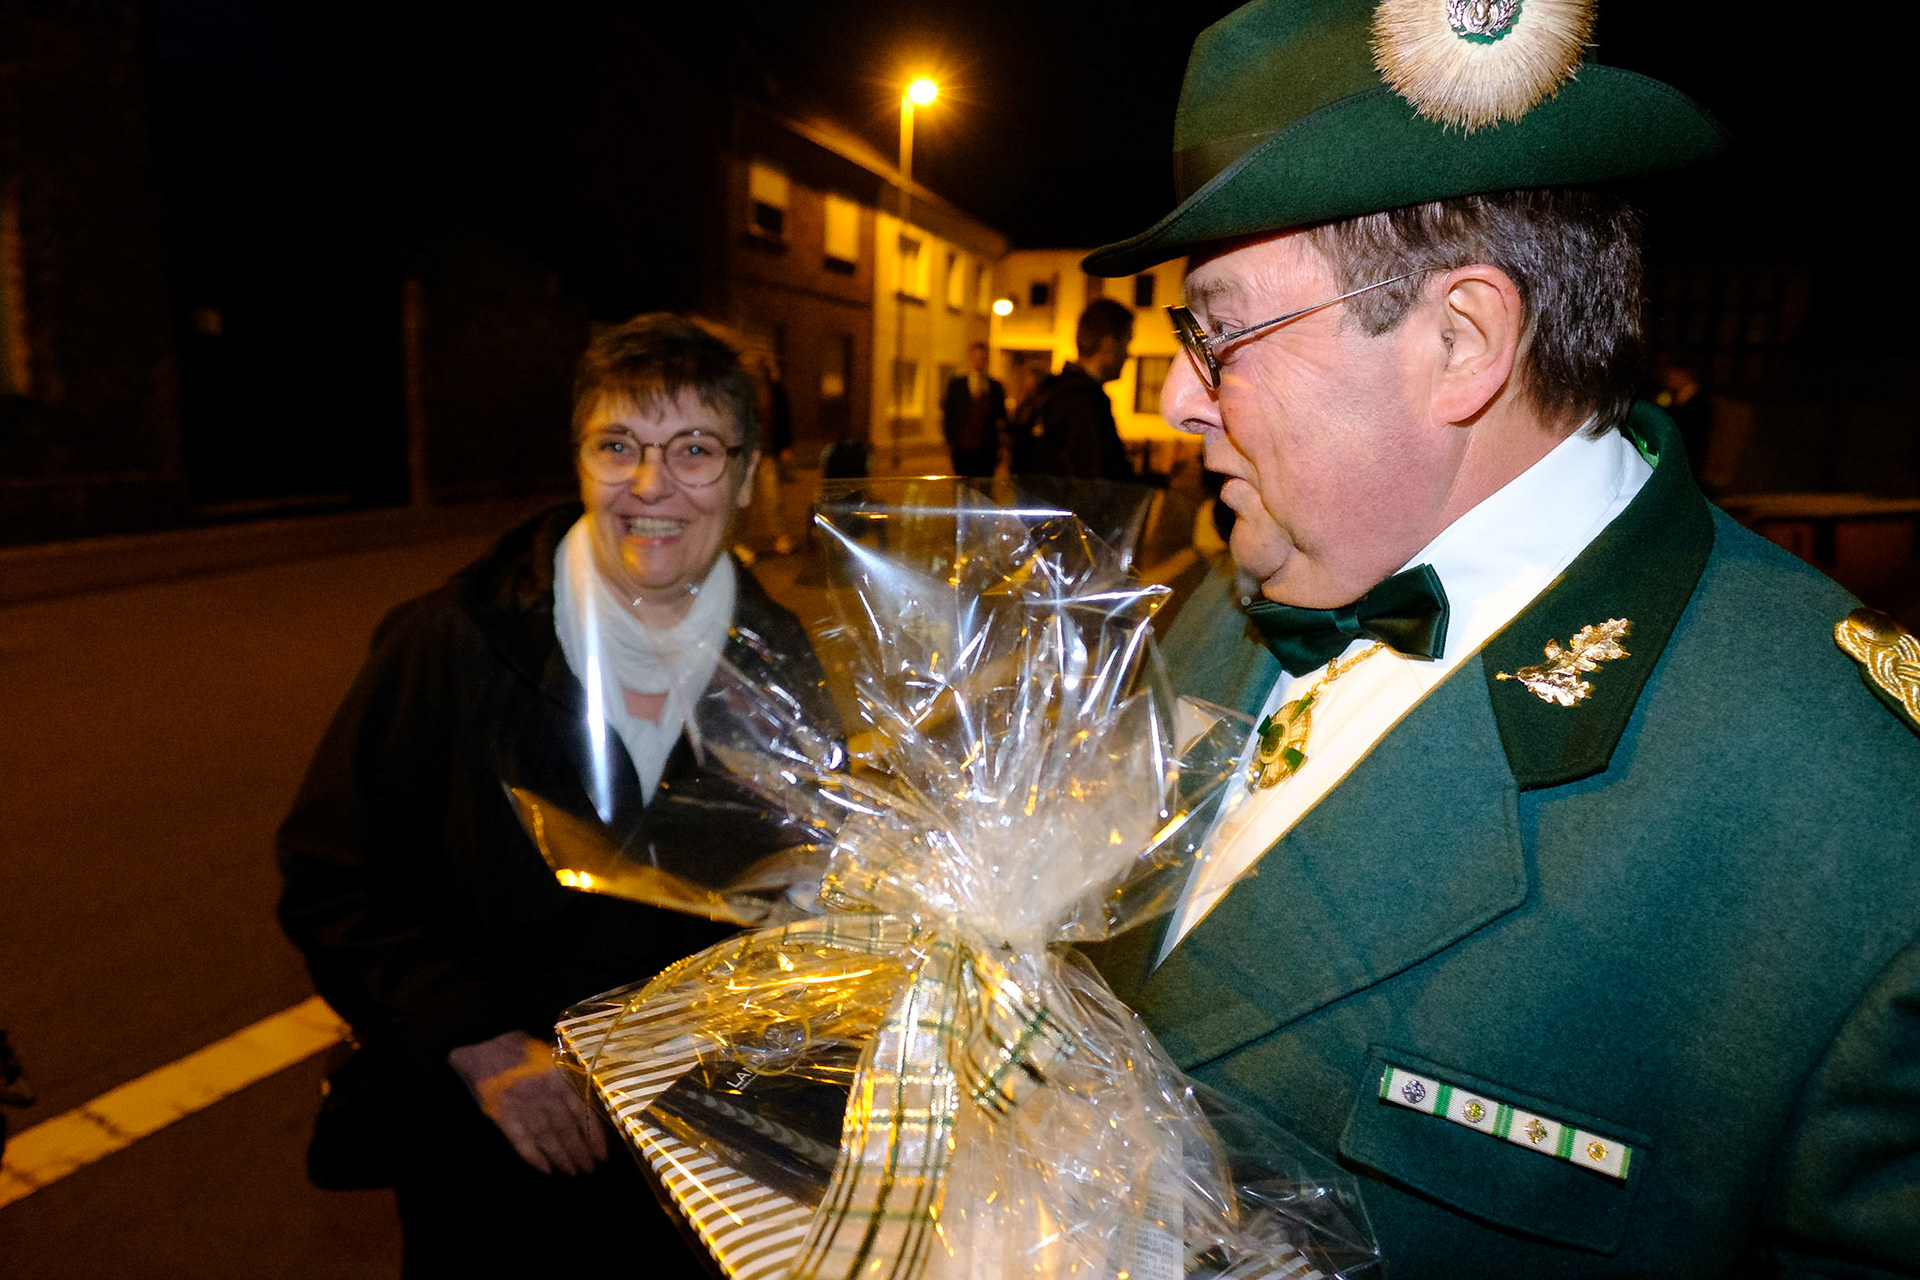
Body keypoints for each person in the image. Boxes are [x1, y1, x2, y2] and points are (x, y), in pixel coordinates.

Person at [1078, 2, 1920, 1276]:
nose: (1175, 397)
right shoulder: (1231, 582)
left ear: (1460, 342)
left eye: (1219, 329)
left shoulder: (1859, 820)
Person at [277, 313, 838, 1275]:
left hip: (696, 1182)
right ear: (579, 462)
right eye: (618, 445)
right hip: (497, 1165)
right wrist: (475, 1041)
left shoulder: (780, 664)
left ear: (748, 478)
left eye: (694, 450)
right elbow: (333, 879)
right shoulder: (457, 640)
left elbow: (797, 899)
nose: (651, 485)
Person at [1010, 298, 1135, 480]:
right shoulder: (1084, 401)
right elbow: (1098, 477)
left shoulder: (1054, 391)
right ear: (1109, 345)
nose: (1129, 355)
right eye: (1127, 342)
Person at [940, 341, 1008, 479]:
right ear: (970, 358)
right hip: (963, 448)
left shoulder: (995, 387)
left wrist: (999, 446)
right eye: (976, 357)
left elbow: (1001, 416)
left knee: (985, 491)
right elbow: (949, 414)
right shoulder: (956, 385)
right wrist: (951, 441)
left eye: (982, 358)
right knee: (963, 489)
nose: (979, 361)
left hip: (986, 450)